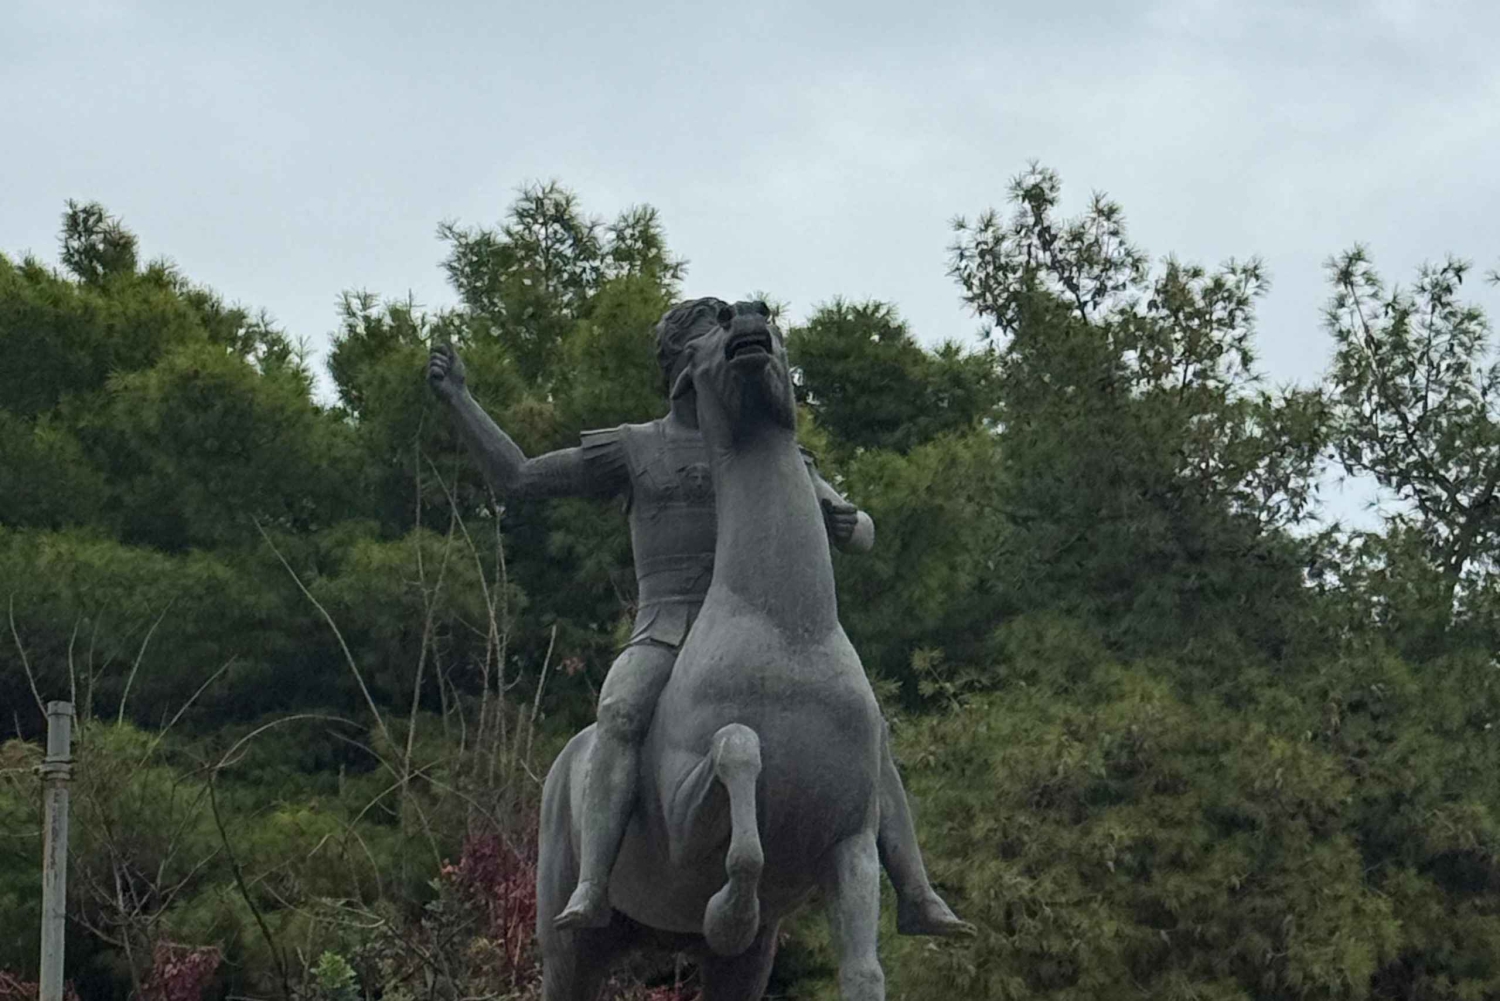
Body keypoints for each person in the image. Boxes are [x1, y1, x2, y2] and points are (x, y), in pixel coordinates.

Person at [427, 296, 971, 936]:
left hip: (763, 631)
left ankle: (914, 888)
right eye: (709, 343)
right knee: (622, 711)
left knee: (865, 726)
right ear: (684, 366)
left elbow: (855, 527)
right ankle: (594, 881)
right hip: (668, 629)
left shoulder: (771, 448)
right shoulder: (634, 448)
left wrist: (854, 522)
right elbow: (519, 479)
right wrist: (459, 399)